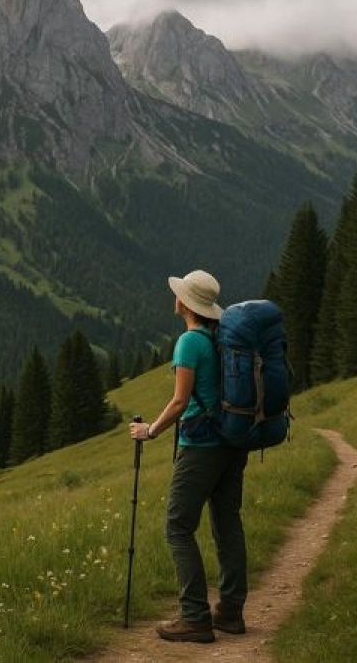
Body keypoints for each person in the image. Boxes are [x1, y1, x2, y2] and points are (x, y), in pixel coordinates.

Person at [128, 269, 248, 644]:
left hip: (202, 447)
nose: (175, 297)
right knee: (227, 522)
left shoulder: (188, 342)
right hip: (232, 441)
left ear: (185, 304)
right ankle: (230, 612)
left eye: (178, 293)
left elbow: (181, 401)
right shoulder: (219, 337)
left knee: (178, 527)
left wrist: (150, 431)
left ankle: (195, 616)